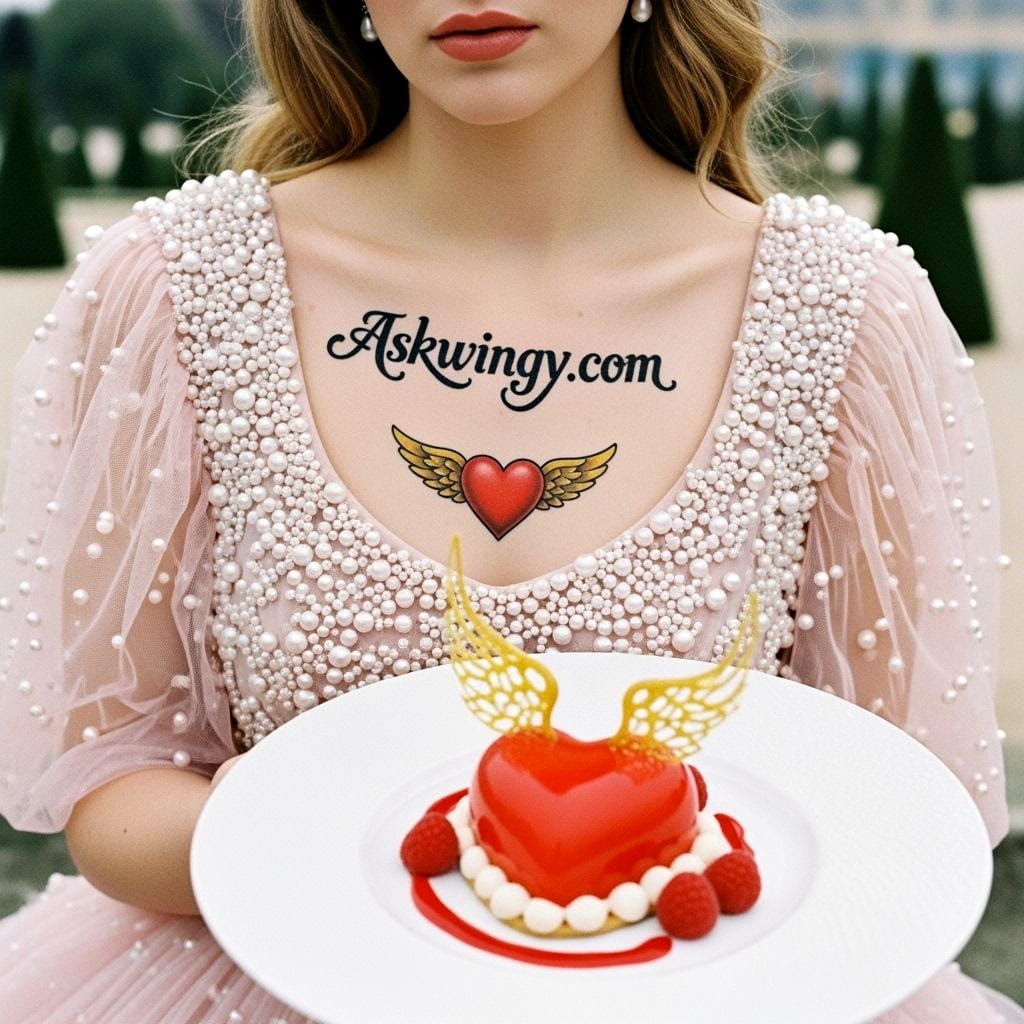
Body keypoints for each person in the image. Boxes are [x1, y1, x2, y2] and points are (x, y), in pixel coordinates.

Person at [0, 1, 1020, 1020]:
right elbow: (117, 781)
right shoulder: (177, 286)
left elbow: (894, 818)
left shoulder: (845, 314)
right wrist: (372, 851)